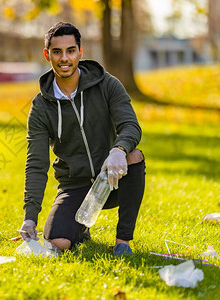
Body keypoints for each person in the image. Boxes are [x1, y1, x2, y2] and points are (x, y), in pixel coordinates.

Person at [19, 22, 145, 256]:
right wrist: (30, 218)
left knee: (133, 156)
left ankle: (122, 242)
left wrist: (118, 149)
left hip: (111, 177)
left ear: (80, 51)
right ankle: (80, 228)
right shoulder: (40, 107)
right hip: (74, 185)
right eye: (57, 52)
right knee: (57, 243)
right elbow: (36, 164)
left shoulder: (107, 85)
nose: (64, 58)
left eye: (70, 50)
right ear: (47, 55)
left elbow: (131, 126)